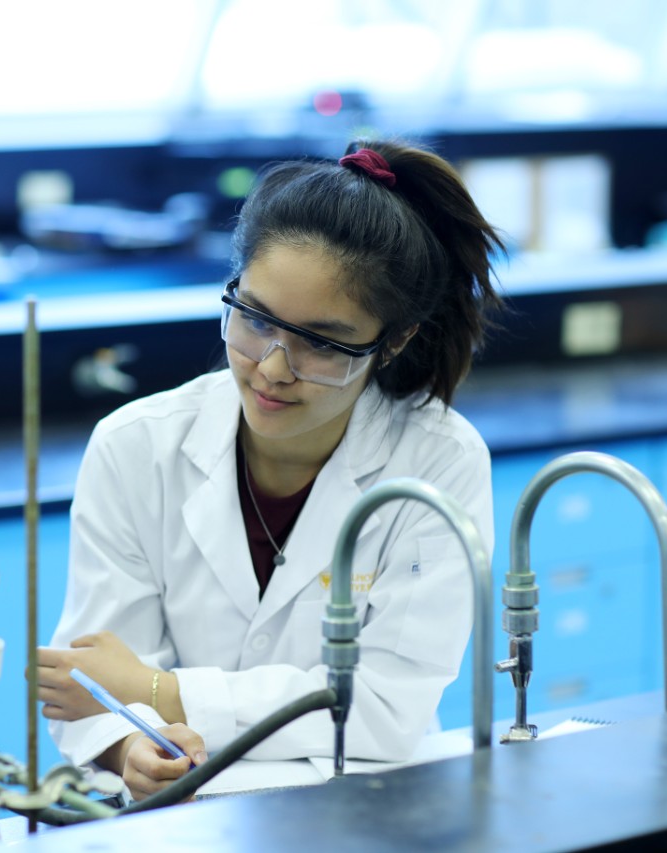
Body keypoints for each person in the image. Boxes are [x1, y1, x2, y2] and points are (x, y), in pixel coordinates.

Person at [36, 139, 504, 801]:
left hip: (358, 811)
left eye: (320, 341)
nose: (274, 367)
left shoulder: (437, 461)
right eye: (254, 318)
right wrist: (132, 743)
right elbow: (98, 677)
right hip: (182, 816)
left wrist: (162, 693)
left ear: (393, 339)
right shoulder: (136, 446)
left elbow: (384, 711)